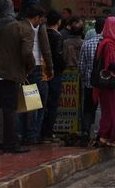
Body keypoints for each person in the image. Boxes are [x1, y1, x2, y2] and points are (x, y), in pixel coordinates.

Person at [0, 3, 46, 153]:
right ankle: (10, 144)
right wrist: (29, 68)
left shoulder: (9, 26)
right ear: (36, 18)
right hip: (10, 75)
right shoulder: (27, 29)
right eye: (40, 19)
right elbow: (26, 53)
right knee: (10, 110)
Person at [16, 0, 53, 146]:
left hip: (21, 67)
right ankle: (32, 134)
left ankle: (22, 133)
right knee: (37, 103)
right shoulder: (39, 23)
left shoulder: (18, 22)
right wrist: (50, 68)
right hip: (36, 67)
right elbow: (45, 48)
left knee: (23, 102)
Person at [93, 17, 115, 147]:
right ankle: (103, 136)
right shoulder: (109, 45)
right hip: (110, 85)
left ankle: (107, 136)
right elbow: (111, 64)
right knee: (112, 109)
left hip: (112, 83)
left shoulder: (109, 43)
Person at [77, 17, 105, 144]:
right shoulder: (107, 44)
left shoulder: (86, 44)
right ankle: (99, 133)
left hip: (89, 82)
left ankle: (85, 131)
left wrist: (84, 78)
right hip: (103, 83)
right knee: (101, 107)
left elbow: (81, 65)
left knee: (88, 108)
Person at [41, 10, 66, 142]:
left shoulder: (42, 33)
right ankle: (47, 133)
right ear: (58, 22)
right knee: (52, 104)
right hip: (55, 73)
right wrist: (63, 66)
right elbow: (58, 55)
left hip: (42, 72)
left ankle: (40, 131)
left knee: (42, 103)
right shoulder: (57, 36)